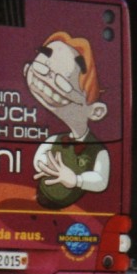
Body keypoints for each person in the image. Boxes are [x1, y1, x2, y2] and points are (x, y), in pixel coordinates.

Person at [23, 32, 109, 209]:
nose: (50, 80)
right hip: (41, 198)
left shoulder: (98, 150)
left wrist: (76, 179)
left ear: (96, 112)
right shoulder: (55, 140)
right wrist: (42, 164)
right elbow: (40, 156)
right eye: (41, 68)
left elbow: (101, 180)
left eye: (63, 82)